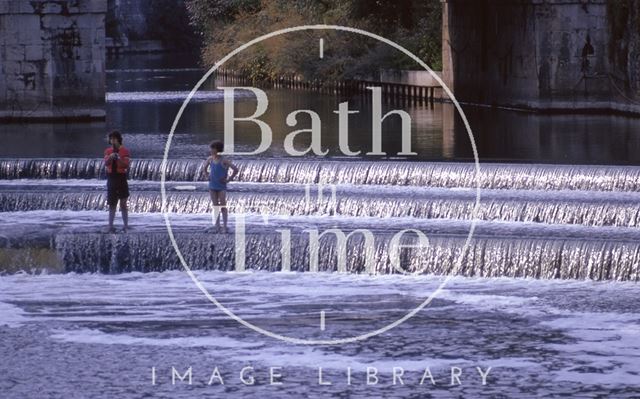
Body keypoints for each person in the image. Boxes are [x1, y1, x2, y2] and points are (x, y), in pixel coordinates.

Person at [203, 140, 238, 233]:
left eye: (212, 149)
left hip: (221, 186)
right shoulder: (210, 159)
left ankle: (225, 226)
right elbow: (204, 168)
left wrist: (228, 179)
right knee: (215, 206)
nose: (211, 150)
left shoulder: (224, 160)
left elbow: (235, 169)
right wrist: (207, 176)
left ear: (217, 149)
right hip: (212, 185)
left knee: (222, 205)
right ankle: (217, 225)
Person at [103, 130, 131, 233]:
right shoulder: (107, 151)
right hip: (111, 177)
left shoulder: (125, 151)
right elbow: (106, 163)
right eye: (111, 139)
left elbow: (126, 165)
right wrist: (110, 157)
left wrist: (118, 159)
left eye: (114, 139)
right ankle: (110, 225)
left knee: (123, 203)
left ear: (118, 139)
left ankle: (126, 225)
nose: (112, 141)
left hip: (121, 177)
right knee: (112, 203)